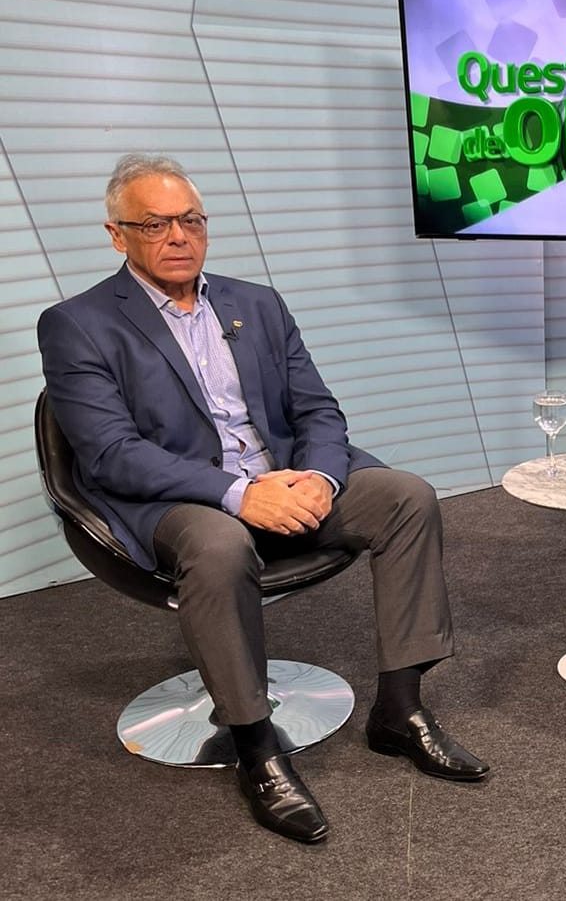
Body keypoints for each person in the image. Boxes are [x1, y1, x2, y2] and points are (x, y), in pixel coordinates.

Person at [38, 153, 489, 845]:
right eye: (155, 223)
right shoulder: (77, 323)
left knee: (406, 496)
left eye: (191, 219)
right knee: (220, 546)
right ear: (116, 234)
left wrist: (319, 480)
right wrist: (239, 494)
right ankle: (256, 746)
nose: (178, 235)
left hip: (284, 478)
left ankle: (399, 710)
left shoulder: (257, 304)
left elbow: (317, 410)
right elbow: (111, 453)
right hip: (179, 495)